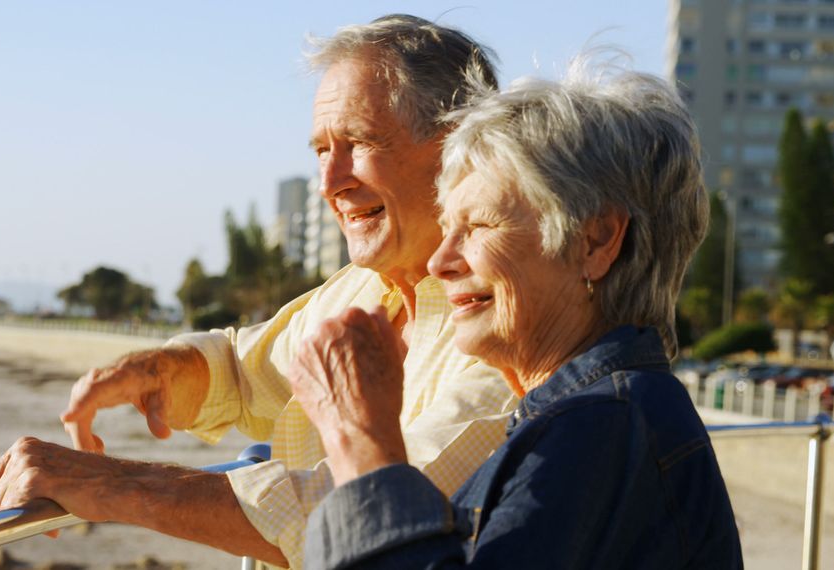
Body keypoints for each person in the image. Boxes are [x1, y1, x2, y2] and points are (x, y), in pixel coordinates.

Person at [0, 15, 516, 568]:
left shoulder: (509, 322)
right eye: (320, 151)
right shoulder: (362, 289)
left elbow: (366, 511)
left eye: (358, 142)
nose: (331, 182)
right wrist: (156, 369)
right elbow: (243, 371)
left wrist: (113, 484)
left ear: (458, 145)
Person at [288, 53, 744, 568]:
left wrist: (361, 435)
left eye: (478, 226)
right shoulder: (598, 414)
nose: (440, 261)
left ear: (595, 240)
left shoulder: (602, 427)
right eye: (447, 228)